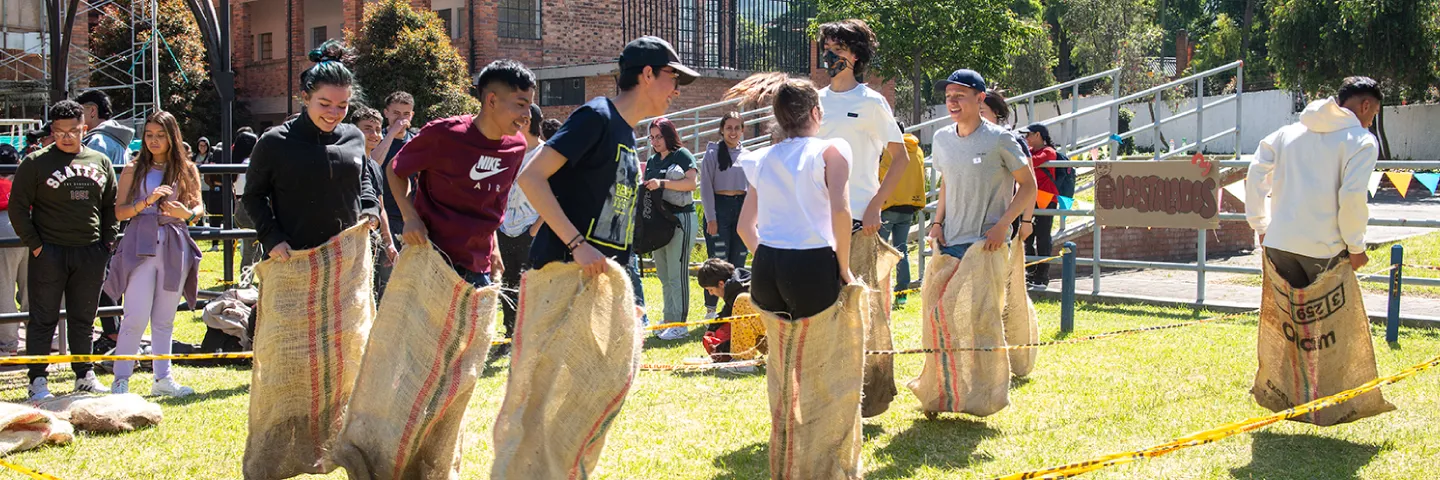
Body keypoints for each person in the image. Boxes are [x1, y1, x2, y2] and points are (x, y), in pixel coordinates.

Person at [518, 35, 697, 277]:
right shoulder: (596, 117)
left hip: (603, 282)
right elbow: (531, 177)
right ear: (647, 74)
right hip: (562, 279)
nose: (676, 91)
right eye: (673, 78)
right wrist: (577, 244)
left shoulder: (627, 134)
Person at [389, 59, 534, 291]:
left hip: (479, 269)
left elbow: (495, 203)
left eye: (529, 106)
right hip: (431, 260)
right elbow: (395, 170)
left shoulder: (517, 147)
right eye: (520, 104)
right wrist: (410, 217)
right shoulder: (444, 134)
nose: (527, 115)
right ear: (492, 100)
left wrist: (494, 247)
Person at [9, 100, 118, 400]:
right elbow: (18, 208)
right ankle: (37, 380)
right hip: (50, 251)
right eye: (60, 131)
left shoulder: (100, 161)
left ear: (84, 127)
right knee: (42, 318)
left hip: (91, 251)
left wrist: (107, 243)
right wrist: (36, 245)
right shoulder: (36, 162)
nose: (67, 137)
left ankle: (84, 375)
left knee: (84, 317)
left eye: (73, 130)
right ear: (52, 131)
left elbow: (110, 205)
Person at [243, 40, 381, 261]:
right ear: (305, 97)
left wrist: (370, 208)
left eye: (343, 105)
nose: (333, 113)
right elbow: (252, 197)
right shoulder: (274, 141)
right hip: (292, 259)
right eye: (324, 104)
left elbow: (363, 179)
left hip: (348, 259)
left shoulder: (355, 137)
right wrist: (272, 237)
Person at [732, 75, 855, 320]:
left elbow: (744, 227)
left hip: (766, 263)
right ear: (815, 112)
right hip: (812, 262)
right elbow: (841, 212)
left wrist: (767, 258)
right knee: (820, 352)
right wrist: (843, 268)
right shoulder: (831, 151)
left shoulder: (761, 158)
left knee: (781, 353)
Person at [104, 110, 205, 397]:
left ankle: (163, 378)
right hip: (141, 244)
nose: (154, 141)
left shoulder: (186, 169)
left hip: (174, 244)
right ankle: (121, 379)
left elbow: (198, 207)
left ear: (172, 137)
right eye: (149, 135)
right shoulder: (133, 169)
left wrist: (186, 213)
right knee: (134, 315)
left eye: (160, 135)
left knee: (164, 319)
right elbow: (120, 211)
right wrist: (145, 202)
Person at [1246, 76, 1380, 288]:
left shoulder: (1286, 133)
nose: (1371, 121)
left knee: (1290, 319)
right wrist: (1356, 248)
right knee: (1330, 320)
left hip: (1280, 244)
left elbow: (1255, 171)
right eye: (1374, 113)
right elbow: (1352, 196)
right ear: (1366, 106)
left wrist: (1261, 226)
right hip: (1325, 249)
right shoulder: (1362, 141)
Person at [927, 69, 1037, 261]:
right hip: (949, 244)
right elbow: (947, 182)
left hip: (988, 244)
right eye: (948, 96)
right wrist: (937, 223)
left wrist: (1003, 226)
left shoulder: (1000, 138)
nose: (952, 102)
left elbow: (1028, 185)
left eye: (960, 96)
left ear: (980, 98)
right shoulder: (941, 138)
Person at [815, 19, 907, 235]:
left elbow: (901, 158)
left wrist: (875, 206)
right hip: (816, 214)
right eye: (827, 49)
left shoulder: (871, 102)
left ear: (856, 55)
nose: (830, 56)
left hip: (857, 213)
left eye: (839, 49)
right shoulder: (815, 100)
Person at [496, 103, 545, 354]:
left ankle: (532, 339)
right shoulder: (509, 151)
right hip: (505, 229)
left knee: (532, 286)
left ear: (529, 121)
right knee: (507, 283)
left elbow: (557, 196)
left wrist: (535, 229)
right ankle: (509, 336)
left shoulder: (546, 154)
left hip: (531, 228)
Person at [644, 117, 700, 340]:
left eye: (659, 136)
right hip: (660, 223)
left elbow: (691, 185)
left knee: (678, 274)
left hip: (681, 218)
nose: (656, 141)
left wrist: (663, 183)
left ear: (669, 135)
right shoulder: (651, 161)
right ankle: (669, 319)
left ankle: (680, 324)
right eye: (652, 137)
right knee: (664, 274)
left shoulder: (682, 155)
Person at [699, 111, 748, 319]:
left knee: (738, 261)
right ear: (722, 130)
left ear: (743, 130)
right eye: (729, 128)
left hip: (742, 208)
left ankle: (735, 306)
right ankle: (711, 309)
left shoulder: (748, 155)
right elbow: (705, 187)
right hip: (719, 208)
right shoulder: (712, 154)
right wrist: (711, 217)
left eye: (737, 128)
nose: (733, 132)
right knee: (718, 262)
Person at [351, 107, 400, 298]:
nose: (374, 134)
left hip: (373, 240)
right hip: (351, 242)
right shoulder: (347, 162)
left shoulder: (375, 166)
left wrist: (388, 242)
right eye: (368, 128)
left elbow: (381, 206)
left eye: (378, 129)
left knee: (376, 291)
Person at [876, 120, 926, 306]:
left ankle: (877, 293)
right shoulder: (917, 150)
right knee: (901, 249)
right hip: (908, 206)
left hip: (887, 206)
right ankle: (902, 293)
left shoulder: (887, 152)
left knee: (878, 250)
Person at [1018, 123, 1059, 287]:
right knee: (1027, 238)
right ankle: (1031, 271)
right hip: (1030, 198)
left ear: (1038, 135)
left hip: (1046, 199)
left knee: (1042, 237)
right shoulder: (1032, 152)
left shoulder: (1048, 152)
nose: (1026, 138)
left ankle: (1042, 276)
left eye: (1029, 135)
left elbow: (1029, 163)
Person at [375, 91, 417, 247]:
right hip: (384, 216)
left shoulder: (416, 142)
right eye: (396, 113)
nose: (401, 119)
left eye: (406, 114)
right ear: (386, 113)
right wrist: (392, 133)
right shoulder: (376, 139)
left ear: (412, 115)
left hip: (409, 217)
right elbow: (373, 163)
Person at [695, 258, 753, 369]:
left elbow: (744, 332)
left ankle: (744, 361)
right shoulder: (734, 287)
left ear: (721, 284)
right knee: (721, 327)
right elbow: (726, 312)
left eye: (710, 289)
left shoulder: (742, 294)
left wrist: (720, 350)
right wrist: (712, 328)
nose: (711, 294)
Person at [0, 144, 27, 357]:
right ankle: (46, 338)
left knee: (4, 289)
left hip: (5, 229)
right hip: (31, 227)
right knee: (33, 288)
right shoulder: (25, 179)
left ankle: (8, 343)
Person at [229, 127, 261, 273]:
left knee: (256, 250)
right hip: (249, 208)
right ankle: (245, 284)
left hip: (240, 207)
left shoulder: (236, 164)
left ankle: (251, 281)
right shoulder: (249, 165)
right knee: (250, 251)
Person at [75, 90, 134, 167]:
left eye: (79, 112)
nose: (76, 117)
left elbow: (91, 175)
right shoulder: (115, 136)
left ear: (92, 111)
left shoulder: (97, 141)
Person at [194, 136, 224, 251]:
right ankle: (216, 243)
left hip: (213, 190)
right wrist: (214, 185)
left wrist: (215, 185)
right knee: (215, 217)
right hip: (212, 190)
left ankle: (218, 243)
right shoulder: (211, 163)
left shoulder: (211, 161)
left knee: (216, 218)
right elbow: (208, 177)